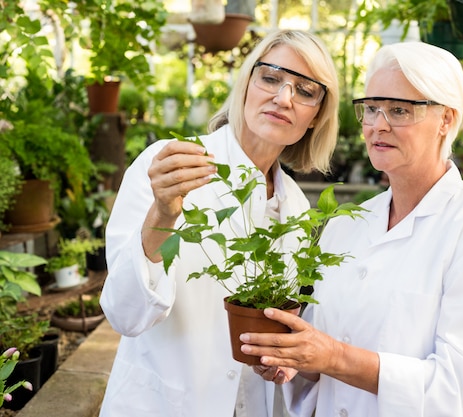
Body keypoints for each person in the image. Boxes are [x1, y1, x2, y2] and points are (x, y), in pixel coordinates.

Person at [240, 41, 463, 417]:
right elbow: (318, 351)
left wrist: (335, 357)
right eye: (371, 108)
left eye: (400, 110)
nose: (378, 124)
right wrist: (293, 364)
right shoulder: (349, 225)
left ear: (447, 119)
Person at [98, 29, 339, 417]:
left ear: (316, 117)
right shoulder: (170, 165)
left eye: (306, 91)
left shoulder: (293, 203)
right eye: (271, 78)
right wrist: (162, 213)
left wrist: (281, 358)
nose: (283, 98)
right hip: (160, 404)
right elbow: (125, 314)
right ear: (246, 83)